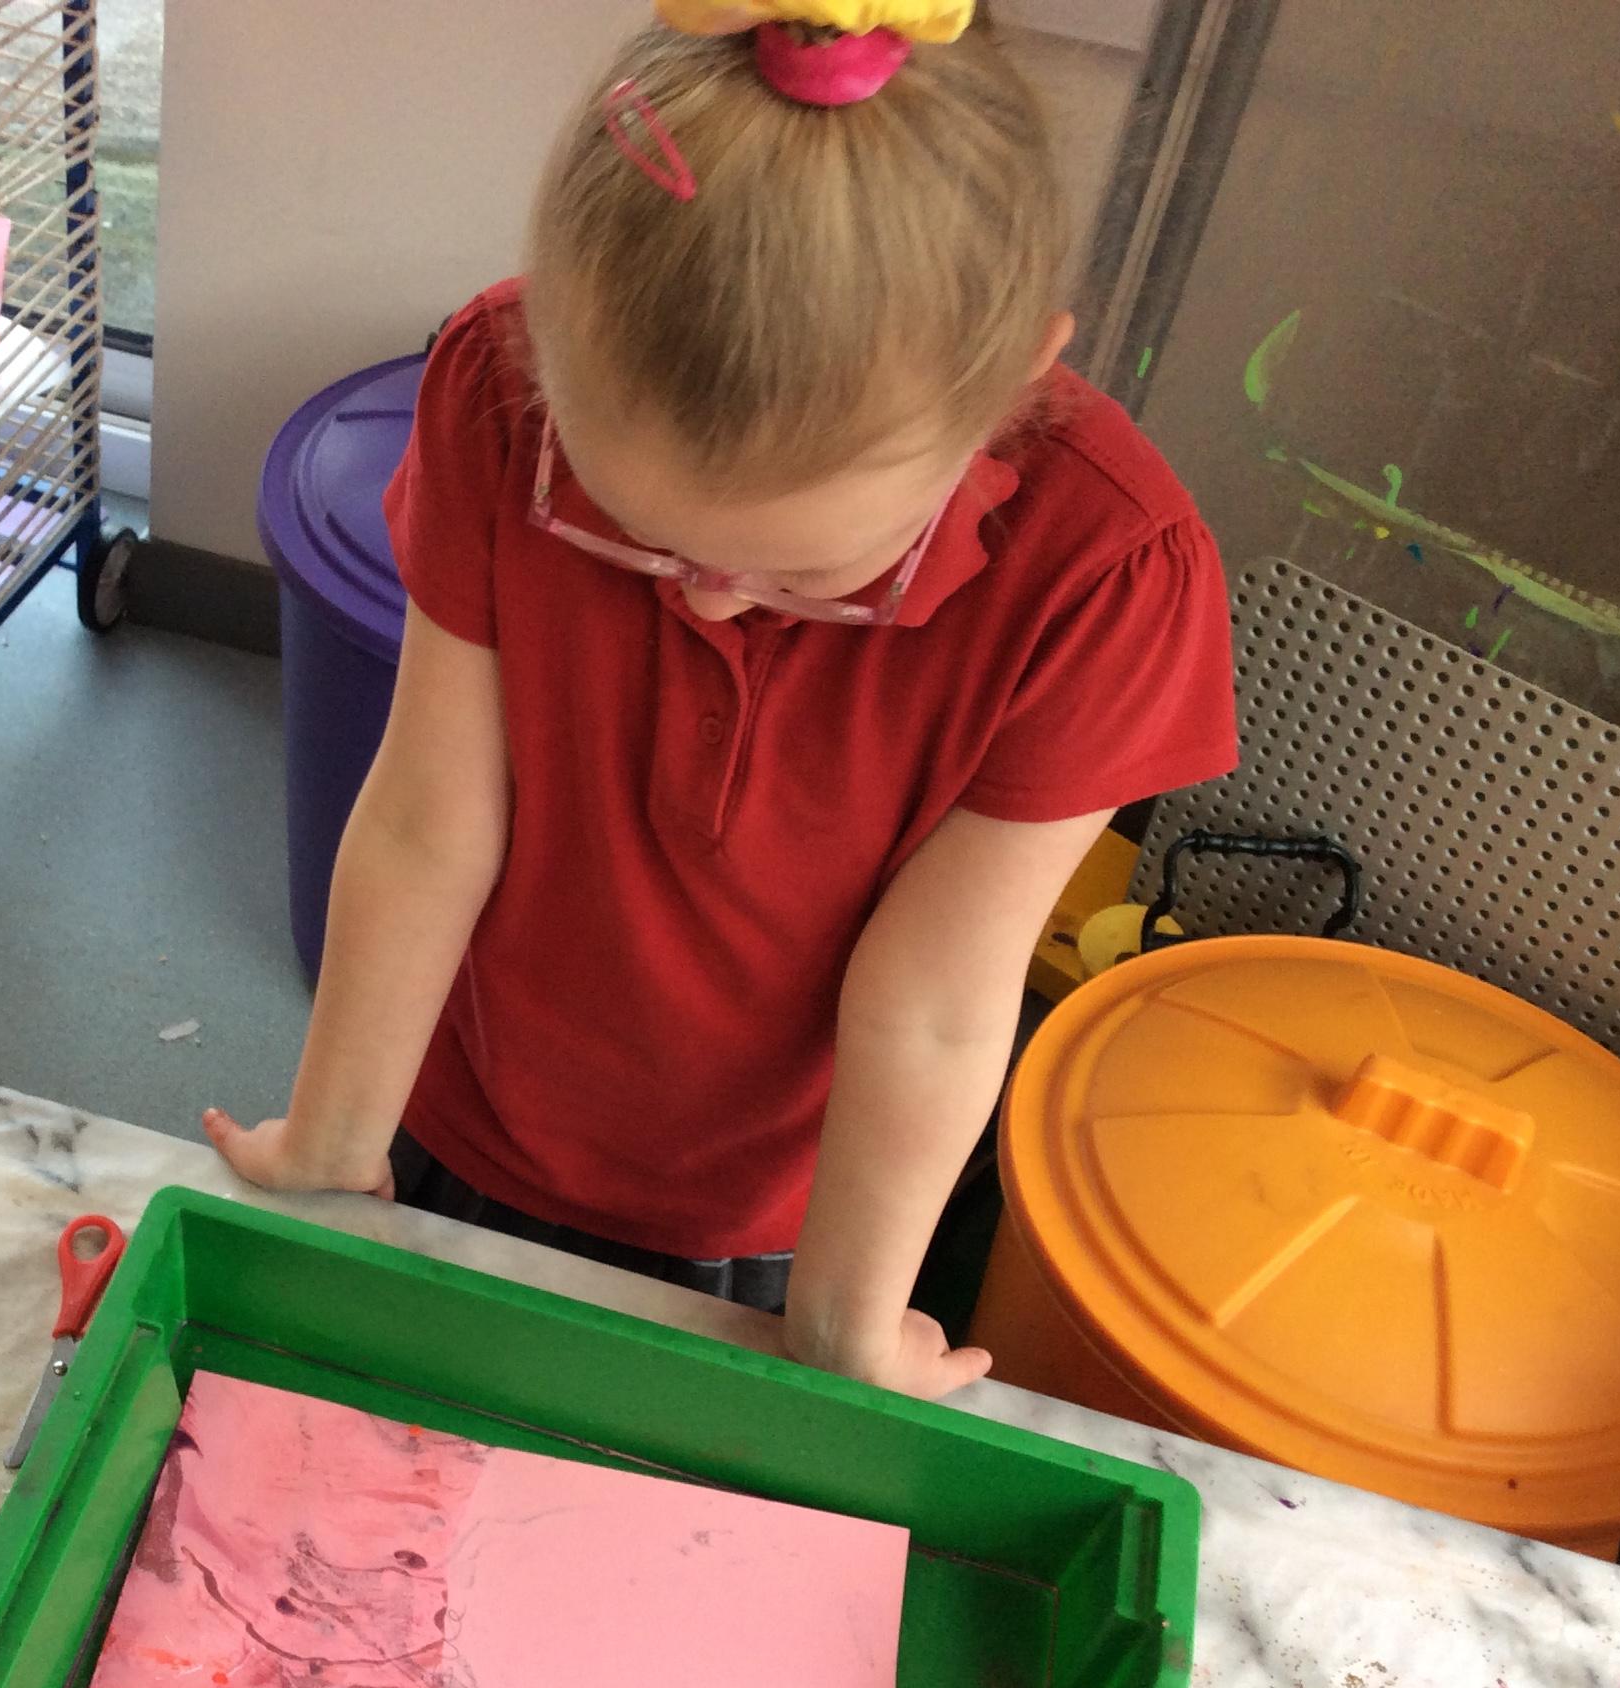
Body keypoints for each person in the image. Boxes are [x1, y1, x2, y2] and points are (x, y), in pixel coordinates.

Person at [205, 0, 1236, 1399]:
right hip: (469, 1110)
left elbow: (935, 999)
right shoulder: (492, 384)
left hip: (793, 1219)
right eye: (631, 534)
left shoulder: (1108, 574)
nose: (706, 603)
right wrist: (333, 1142)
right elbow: (427, 820)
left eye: (807, 576)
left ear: (1008, 388)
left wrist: (846, 1327)